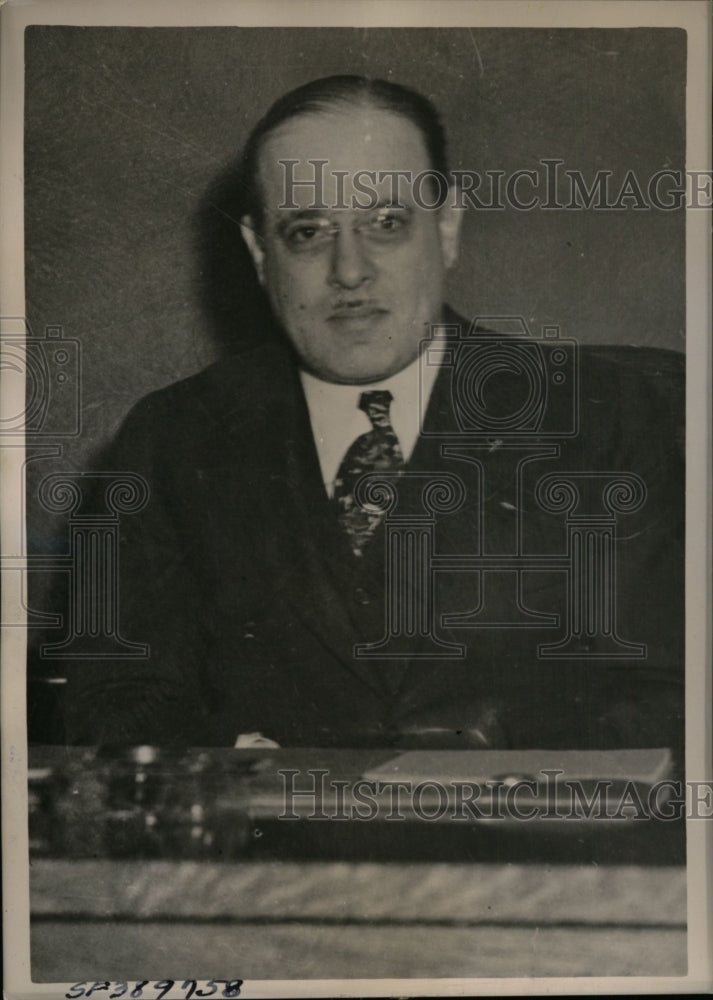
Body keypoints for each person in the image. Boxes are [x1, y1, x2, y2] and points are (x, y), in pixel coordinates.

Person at [47, 76, 683, 750]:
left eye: (385, 224)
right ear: (260, 253)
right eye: (306, 231)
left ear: (445, 228)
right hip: (269, 847)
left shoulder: (601, 415)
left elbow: (670, 695)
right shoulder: (173, 439)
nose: (348, 270)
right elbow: (115, 701)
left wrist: (464, 774)